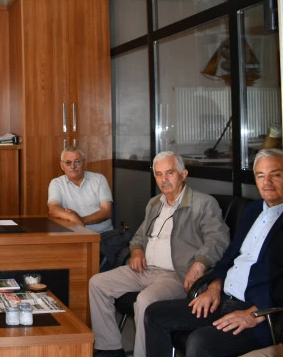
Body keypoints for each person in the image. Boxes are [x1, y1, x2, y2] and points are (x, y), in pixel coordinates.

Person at [89, 151, 230, 357]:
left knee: (145, 301)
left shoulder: (203, 203)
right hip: (145, 270)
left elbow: (218, 239)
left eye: (170, 173)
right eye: (158, 174)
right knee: (98, 283)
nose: (164, 179)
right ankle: (109, 349)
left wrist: (200, 263)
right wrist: (137, 250)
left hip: (176, 275)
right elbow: (139, 235)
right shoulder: (155, 203)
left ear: (183, 174)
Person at [145, 149, 283, 357]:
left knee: (200, 342)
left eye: (276, 174)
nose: (267, 182)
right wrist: (214, 286)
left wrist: (253, 313)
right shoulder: (253, 210)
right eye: (261, 176)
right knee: (155, 314)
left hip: (261, 313)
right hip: (223, 298)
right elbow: (229, 257)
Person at [47, 146, 113, 233]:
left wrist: (81, 220)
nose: (73, 166)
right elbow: (53, 209)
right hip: (74, 235)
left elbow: (106, 211)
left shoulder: (99, 179)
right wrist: (72, 217)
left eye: (77, 162)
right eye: (68, 162)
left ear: (84, 163)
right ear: (62, 166)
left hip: (103, 234)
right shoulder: (56, 183)